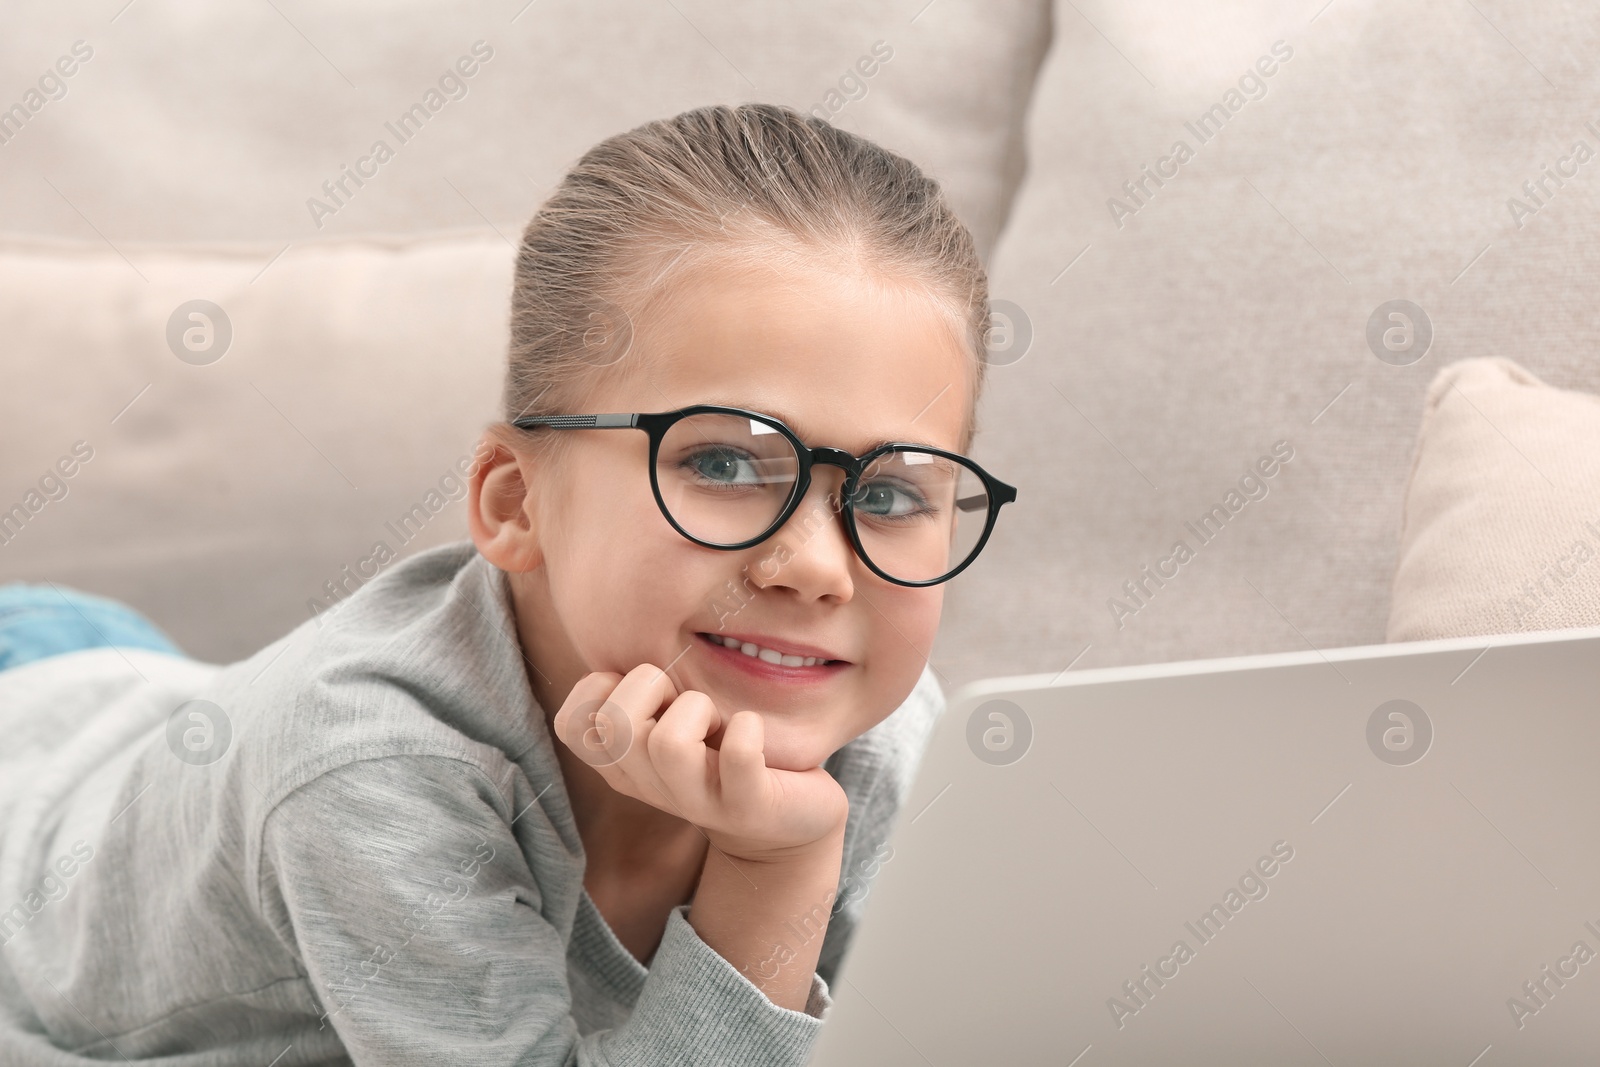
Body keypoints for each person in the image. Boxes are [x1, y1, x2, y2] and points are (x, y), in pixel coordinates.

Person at [0, 102, 1016, 1065]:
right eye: (722, 463)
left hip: (165, 713)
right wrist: (771, 875)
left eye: (887, 495)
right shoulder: (371, 777)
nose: (814, 567)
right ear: (514, 502)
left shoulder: (871, 731)